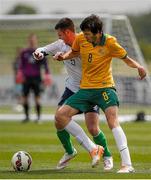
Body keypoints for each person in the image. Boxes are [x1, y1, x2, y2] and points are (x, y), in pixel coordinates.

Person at [53, 14, 146, 173]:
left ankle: (127, 164)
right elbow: (74, 52)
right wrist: (64, 57)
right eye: (85, 34)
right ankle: (93, 148)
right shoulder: (81, 39)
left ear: (98, 32)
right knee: (60, 116)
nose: (85, 37)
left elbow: (126, 59)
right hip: (85, 90)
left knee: (112, 121)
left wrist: (139, 67)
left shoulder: (110, 42)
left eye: (88, 34)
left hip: (105, 89)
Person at [33, 18, 112, 170]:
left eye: (60, 35)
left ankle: (107, 155)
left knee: (93, 128)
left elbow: (86, 55)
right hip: (71, 88)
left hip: (88, 89)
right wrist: (39, 53)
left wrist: (64, 56)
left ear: (68, 32)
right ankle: (70, 151)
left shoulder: (86, 43)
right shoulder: (60, 44)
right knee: (59, 121)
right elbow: (43, 49)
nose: (59, 38)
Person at [17, 33, 52, 123]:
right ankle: (27, 117)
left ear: (36, 40)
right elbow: (21, 65)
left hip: (36, 77)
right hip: (26, 78)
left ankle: (38, 117)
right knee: (25, 97)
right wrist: (20, 73)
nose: (32, 41)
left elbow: (45, 64)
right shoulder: (24, 52)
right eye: (31, 40)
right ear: (28, 40)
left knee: (37, 98)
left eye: (34, 39)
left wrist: (47, 75)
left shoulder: (39, 52)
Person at [12, 47, 23, 112]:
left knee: (22, 93)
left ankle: (21, 105)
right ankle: (19, 104)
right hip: (17, 80)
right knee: (18, 93)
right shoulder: (16, 61)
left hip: (23, 80)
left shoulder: (25, 60)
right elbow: (15, 70)